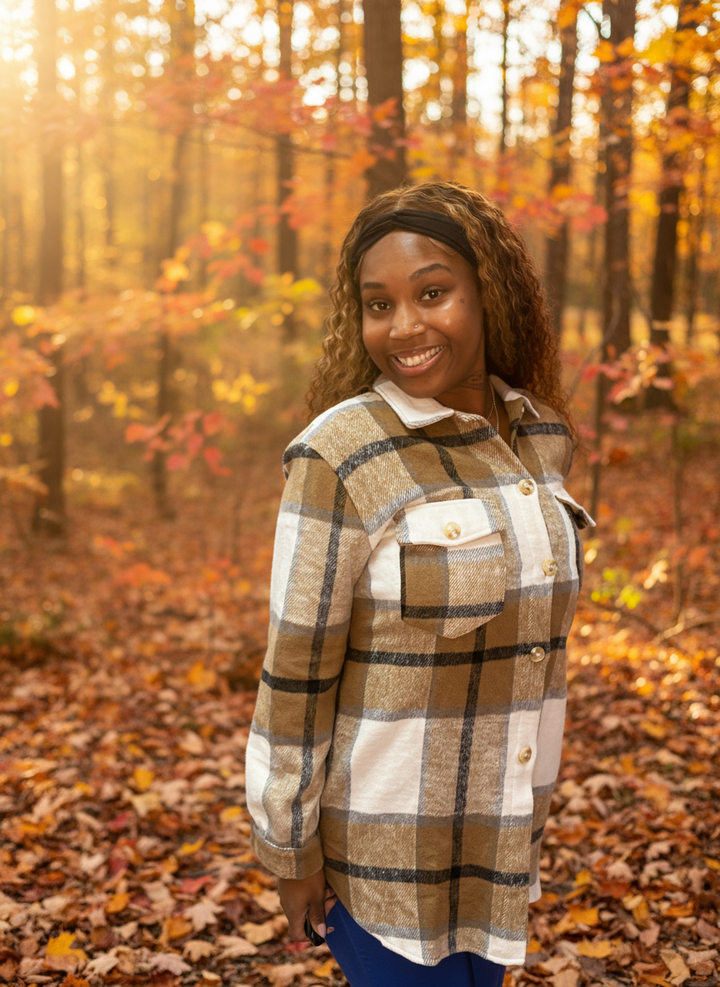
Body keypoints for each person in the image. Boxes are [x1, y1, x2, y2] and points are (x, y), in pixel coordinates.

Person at [245, 181, 594, 986]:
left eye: (432, 292)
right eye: (379, 304)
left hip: (500, 847)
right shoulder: (340, 452)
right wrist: (289, 848)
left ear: (487, 291)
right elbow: (296, 669)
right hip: (384, 857)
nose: (404, 326)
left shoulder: (540, 439)